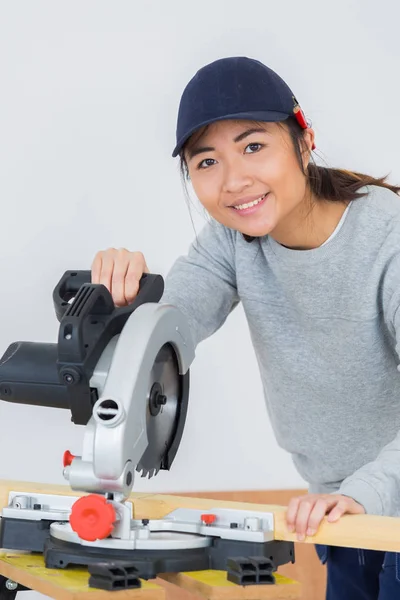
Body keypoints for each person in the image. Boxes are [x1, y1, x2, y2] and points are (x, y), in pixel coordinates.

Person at [91, 56, 400, 599]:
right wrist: (119, 303)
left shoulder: (388, 240)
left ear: (304, 140)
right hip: (343, 515)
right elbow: (167, 331)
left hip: (372, 501)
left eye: (254, 146)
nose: (234, 181)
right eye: (206, 161)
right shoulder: (231, 242)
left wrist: (367, 493)